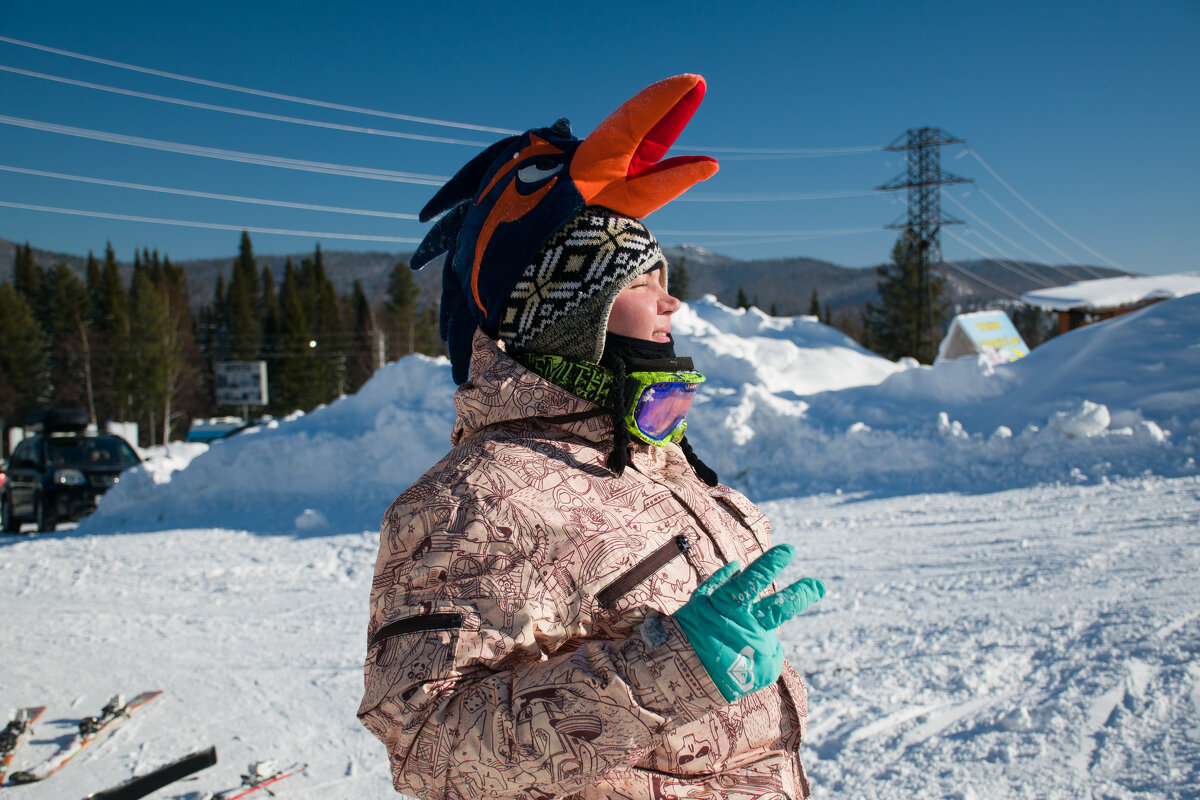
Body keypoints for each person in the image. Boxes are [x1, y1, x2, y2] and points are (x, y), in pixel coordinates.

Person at [359, 74, 825, 800]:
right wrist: (671, 668)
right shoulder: (473, 501)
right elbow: (430, 748)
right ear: (570, 310)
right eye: (642, 282)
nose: (674, 300)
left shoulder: (653, 460)